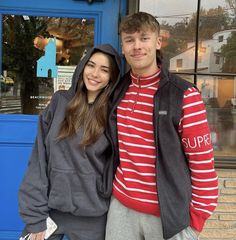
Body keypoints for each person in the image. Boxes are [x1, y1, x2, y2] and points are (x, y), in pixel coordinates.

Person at [105, 12, 218, 240]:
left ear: (158, 42)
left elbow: (203, 163)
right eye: (129, 40)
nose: (137, 46)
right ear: (123, 46)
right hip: (120, 209)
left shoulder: (184, 95)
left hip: (168, 216)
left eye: (144, 38)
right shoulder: (117, 90)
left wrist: (195, 224)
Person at [18, 44, 120, 240]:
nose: (95, 73)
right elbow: (39, 160)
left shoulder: (113, 114)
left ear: (111, 78)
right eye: (91, 65)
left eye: (104, 70)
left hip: (93, 217)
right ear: (82, 67)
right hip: (51, 211)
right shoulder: (60, 102)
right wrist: (35, 216)